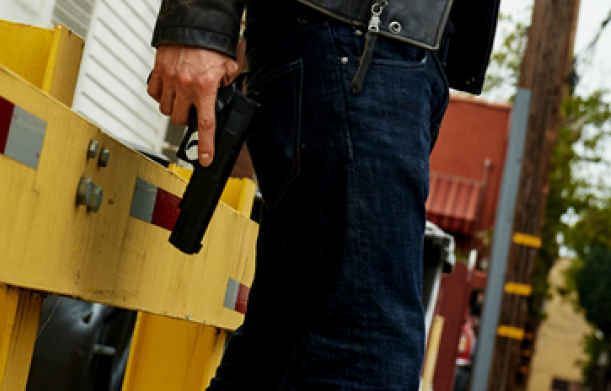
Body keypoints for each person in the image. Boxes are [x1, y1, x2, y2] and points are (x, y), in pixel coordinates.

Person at [147, 0, 500, 389]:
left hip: (386, 51)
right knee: (366, 355)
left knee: (282, 351)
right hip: (359, 41)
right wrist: (200, 25)